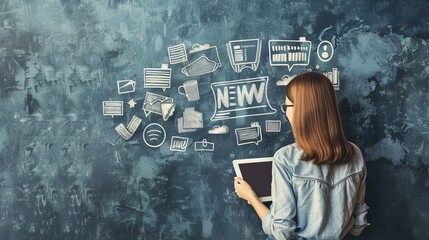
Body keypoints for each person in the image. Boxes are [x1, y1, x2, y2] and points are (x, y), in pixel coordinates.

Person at [234, 72, 369, 240]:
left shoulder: (285, 158)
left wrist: (251, 197)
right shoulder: (355, 153)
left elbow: (282, 233)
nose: (285, 113)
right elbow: (357, 226)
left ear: (301, 110)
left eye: (287, 107)